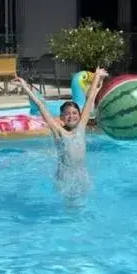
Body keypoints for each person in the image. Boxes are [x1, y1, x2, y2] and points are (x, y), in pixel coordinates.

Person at [14, 67, 109, 202]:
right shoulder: (59, 132)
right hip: (65, 178)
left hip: (82, 175)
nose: (71, 116)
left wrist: (98, 77)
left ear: (80, 115)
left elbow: (90, 99)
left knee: (86, 204)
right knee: (70, 210)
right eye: (67, 114)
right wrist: (25, 87)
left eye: (75, 113)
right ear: (62, 117)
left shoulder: (81, 127)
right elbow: (41, 106)